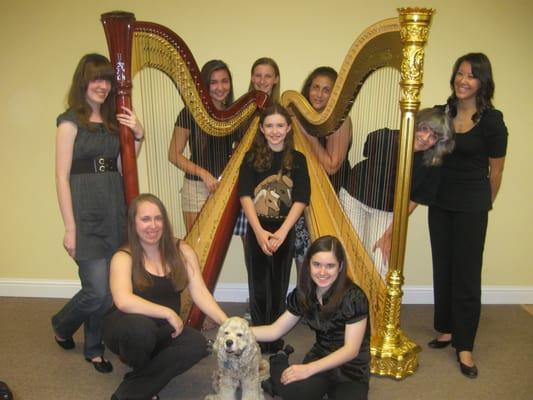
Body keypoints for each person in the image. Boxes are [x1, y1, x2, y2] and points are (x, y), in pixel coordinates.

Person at [51, 53, 145, 373]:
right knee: (98, 290)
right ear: (83, 81)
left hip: (114, 210)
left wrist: (138, 135)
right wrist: (70, 228)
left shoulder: (112, 121)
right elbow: (61, 177)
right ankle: (62, 324)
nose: (103, 85)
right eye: (96, 78)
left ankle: (93, 348)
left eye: (107, 79)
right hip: (85, 213)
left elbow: (123, 167)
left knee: (109, 290)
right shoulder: (69, 121)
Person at [426, 53, 507, 379]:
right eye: (460, 73)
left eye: (471, 75)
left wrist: (483, 203)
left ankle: (465, 345)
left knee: (467, 275)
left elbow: (497, 171)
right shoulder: (442, 113)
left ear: (482, 82)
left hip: (472, 205)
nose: (463, 80)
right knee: (443, 266)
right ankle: (445, 329)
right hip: (440, 203)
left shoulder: (492, 121)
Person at [103, 193, 228, 400]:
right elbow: (123, 301)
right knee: (141, 330)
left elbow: (200, 293)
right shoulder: (123, 257)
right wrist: (168, 312)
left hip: (163, 330)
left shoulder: (182, 250)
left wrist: (227, 322)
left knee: (196, 344)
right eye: (145, 219)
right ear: (133, 224)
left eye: (158, 218)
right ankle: (145, 382)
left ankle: (135, 388)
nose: (153, 225)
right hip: (125, 327)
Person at [253, 235, 370, 400]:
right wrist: (236, 329)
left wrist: (308, 369)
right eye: (317, 265)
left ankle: (274, 382)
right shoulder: (304, 293)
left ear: (340, 266)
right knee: (294, 393)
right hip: (320, 357)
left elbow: (351, 350)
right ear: (308, 265)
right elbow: (275, 330)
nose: (322, 272)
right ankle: (279, 360)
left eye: (330, 266)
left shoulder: (354, 297)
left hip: (351, 370)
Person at [345, 107, 454, 276]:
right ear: (415, 123)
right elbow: (366, 151)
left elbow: (414, 200)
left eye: (434, 136)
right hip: (354, 196)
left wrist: (390, 234)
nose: (425, 138)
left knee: (381, 263)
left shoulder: (432, 164)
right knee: (347, 253)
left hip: (387, 210)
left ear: (439, 142)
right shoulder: (382, 137)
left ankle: (374, 302)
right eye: (424, 129)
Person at [238, 103, 310, 352]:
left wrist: (281, 233)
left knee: (278, 284)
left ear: (288, 128)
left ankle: (274, 336)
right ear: (261, 129)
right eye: (269, 126)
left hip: (284, 229)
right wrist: (258, 232)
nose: (275, 131)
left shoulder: (298, 160)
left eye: (280, 125)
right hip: (257, 227)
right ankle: (258, 336)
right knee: (258, 285)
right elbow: (245, 195)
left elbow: (301, 198)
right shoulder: (251, 158)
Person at [292, 66, 353, 267]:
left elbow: (331, 166)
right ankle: (304, 297)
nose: (319, 94)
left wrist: (306, 132)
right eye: (315, 87)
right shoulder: (301, 117)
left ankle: (319, 298)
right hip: (305, 193)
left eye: (326, 90)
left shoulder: (340, 121)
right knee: (303, 254)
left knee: (324, 258)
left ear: (335, 95)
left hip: (333, 197)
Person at [168, 59, 238, 232]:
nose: (220, 87)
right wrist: (203, 173)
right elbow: (173, 154)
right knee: (196, 249)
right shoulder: (189, 113)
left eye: (224, 81)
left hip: (225, 189)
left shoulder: (236, 113)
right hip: (197, 188)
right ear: (204, 85)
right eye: (213, 82)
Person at [234, 57, 281, 242]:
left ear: (276, 79)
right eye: (258, 76)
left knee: (273, 245)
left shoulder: (280, 111)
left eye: (267, 76)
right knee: (250, 246)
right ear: (252, 78)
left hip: (271, 185)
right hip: (248, 182)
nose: (262, 81)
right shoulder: (242, 109)